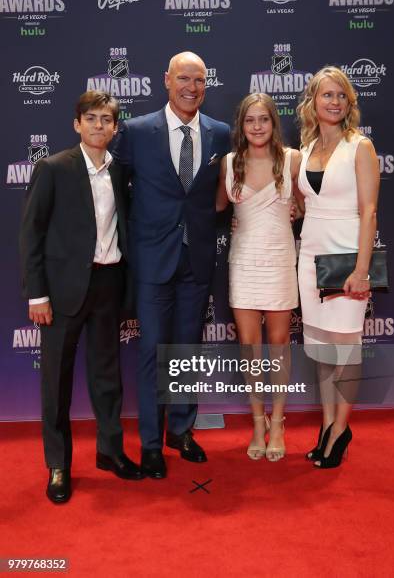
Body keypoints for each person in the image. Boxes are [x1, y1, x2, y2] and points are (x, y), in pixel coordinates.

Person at [19, 91, 143, 504]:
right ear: (77, 124)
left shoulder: (120, 170)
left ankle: (110, 452)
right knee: (56, 380)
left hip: (109, 284)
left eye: (106, 119)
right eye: (90, 118)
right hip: (62, 289)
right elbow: (31, 234)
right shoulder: (53, 168)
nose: (98, 126)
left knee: (107, 376)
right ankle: (58, 465)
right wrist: (37, 294)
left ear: (115, 127)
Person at [113, 51, 231, 479]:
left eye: (199, 80)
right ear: (166, 80)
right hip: (151, 260)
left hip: (197, 258)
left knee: (186, 353)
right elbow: (116, 193)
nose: (191, 88)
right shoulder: (137, 131)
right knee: (152, 354)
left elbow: (220, 192)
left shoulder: (220, 134)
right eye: (184, 78)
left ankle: (180, 431)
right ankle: (149, 444)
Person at [296, 66, 380, 468]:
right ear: (313, 100)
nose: (334, 102)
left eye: (341, 96)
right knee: (322, 350)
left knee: (345, 348)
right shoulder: (308, 146)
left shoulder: (358, 146)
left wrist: (361, 270)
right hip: (310, 258)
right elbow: (304, 203)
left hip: (347, 258)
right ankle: (328, 426)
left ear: (350, 103)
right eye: (327, 94)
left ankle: (342, 429)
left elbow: (369, 210)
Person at [216, 93, 302, 461]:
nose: (256, 126)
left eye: (263, 120)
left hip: (280, 259)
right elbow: (219, 205)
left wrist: (295, 208)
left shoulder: (293, 159)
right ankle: (257, 421)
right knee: (250, 348)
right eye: (250, 120)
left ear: (273, 123)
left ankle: (278, 421)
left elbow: (304, 203)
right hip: (244, 261)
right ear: (242, 125)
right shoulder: (229, 162)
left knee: (279, 345)